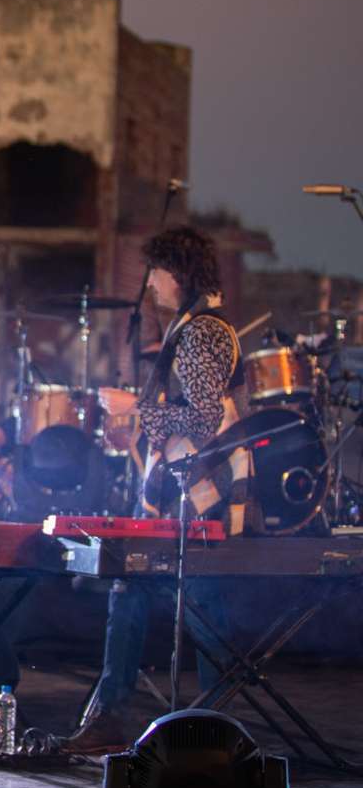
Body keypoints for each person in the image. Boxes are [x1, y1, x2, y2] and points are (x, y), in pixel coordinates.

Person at [72, 227, 251, 751]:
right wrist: (138, 421)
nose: (149, 283)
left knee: (199, 606)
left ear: (177, 273)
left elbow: (202, 420)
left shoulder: (201, 333)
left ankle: (215, 735)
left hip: (201, 494)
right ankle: (115, 718)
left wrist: (135, 407)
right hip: (185, 491)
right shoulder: (194, 327)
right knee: (134, 590)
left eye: (155, 271)